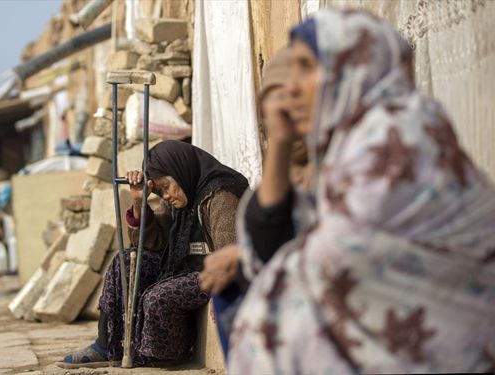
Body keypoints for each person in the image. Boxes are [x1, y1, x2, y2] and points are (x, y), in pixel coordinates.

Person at [229, 9, 495, 374]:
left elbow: (333, 258)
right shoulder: (348, 145)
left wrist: (252, 263)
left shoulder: (395, 138)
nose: (291, 89)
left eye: (307, 67)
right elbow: (275, 237)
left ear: (351, 68)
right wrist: (279, 141)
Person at [58, 140, 249, 368]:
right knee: (125, 263)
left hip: (212, 275)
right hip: (185, 269)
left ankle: (162, 355)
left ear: (181, 171)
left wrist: (224, 296)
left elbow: (231, 256)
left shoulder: (220, 197)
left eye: (166, 187)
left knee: (158, 297)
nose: (165, 195)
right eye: (159, 191)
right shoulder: (181, 199)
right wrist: (139, 202)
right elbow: (151, 243)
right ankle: (106, 345)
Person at [198, 47, 309, 357]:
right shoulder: (301, 169)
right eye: (269, 121)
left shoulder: (368, 158)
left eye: (293, 110)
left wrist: (243, 255)